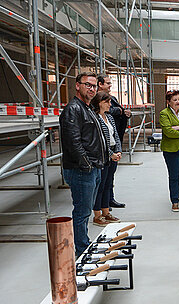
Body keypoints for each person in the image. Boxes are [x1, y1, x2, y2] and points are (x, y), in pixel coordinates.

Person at [60, 72, 106, 257]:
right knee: (82, 211)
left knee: (85, 211)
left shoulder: (86, 108)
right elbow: (73, 142)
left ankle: (83, 243)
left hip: (92, 168)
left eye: (94, 86)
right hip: (82, 170)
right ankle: (82, 249)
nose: (92, 88)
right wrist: (86, 164)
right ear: (77, 85)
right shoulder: (73, 109)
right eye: (87, 85)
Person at [96, 73, 130, 208]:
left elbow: (119, 112)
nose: (110, 85)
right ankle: (101, 206)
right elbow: (115, 111)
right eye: (108, 83)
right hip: (104, 150)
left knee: (110, 176)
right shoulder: (96, 105)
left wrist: (118, 150)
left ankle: (109, 200)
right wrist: (120, 111)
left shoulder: (112, 100)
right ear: (100, 84)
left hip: (114, 144)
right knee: (102, 179)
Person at [90, 91, 122, 226]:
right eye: (107, 102)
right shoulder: (95, 118)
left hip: (113, 154)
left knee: (108, 184)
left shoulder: (109, 117)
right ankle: (97, 215)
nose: (110, 105)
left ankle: (106, 212)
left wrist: (118, 151)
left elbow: (116, 135)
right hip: (103, 156)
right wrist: (110, 154)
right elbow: (100, 141)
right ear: (99, 103)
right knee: (100, 186)